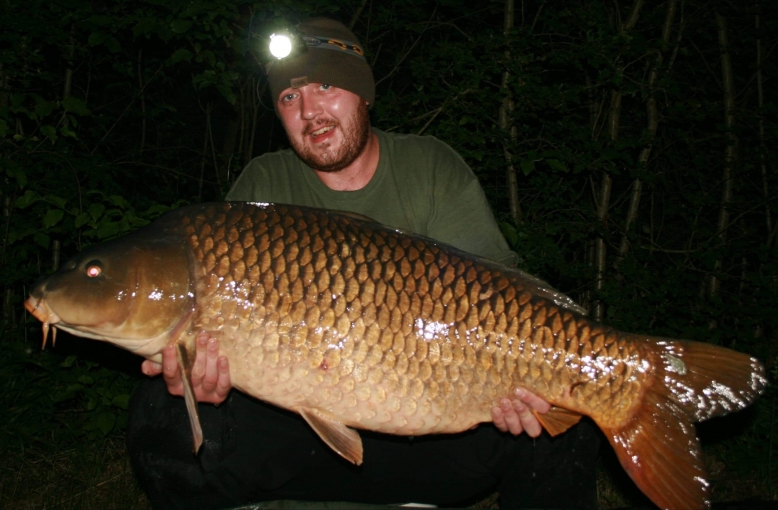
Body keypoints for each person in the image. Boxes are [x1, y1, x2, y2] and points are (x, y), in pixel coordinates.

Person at [127, 17, 600, 510]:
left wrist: (518, 389)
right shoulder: (263, 185)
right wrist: (198, 382)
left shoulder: (431, 169)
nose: (310, 111)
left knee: (568, 410)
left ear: (364, 94)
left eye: (326, 86)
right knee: (160, 410)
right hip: (303, 445)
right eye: (289, 99)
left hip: (432, 434)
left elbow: (506, 302)